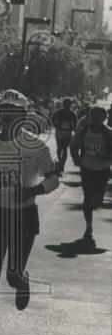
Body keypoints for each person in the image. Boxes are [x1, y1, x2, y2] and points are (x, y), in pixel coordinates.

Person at [0, 90, 60, 335]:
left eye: (14, 111)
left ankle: (22, 279)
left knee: (11, 275)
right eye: (4, 109)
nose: (8, 115)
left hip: (24, 216)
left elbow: (54, 179)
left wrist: (33, 191)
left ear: (24, 116)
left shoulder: (36, 146)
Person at [69, 105, 112, 249]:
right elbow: (73, 145)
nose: (97, 121)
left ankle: (95, 203)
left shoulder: (109, 133)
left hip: (103, 170)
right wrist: (76, 159)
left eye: (101, 118)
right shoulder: (84, 130)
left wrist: (105, 156)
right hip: (87, 168)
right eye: (95, 118)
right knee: (87, 197)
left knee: (98, 200)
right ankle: (89, 227)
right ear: (91, 118)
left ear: (104, 119)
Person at [51, 98, 78, 171]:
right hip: (65, 132)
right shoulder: (72, 113)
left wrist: (55, 125)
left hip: (61, 132)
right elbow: (75, 123)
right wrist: (73, 129)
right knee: (63, 148)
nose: (67, 106)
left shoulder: (59, 112)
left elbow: (52, 119)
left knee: (61, 148)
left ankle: (61, 162)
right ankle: (61, 163)